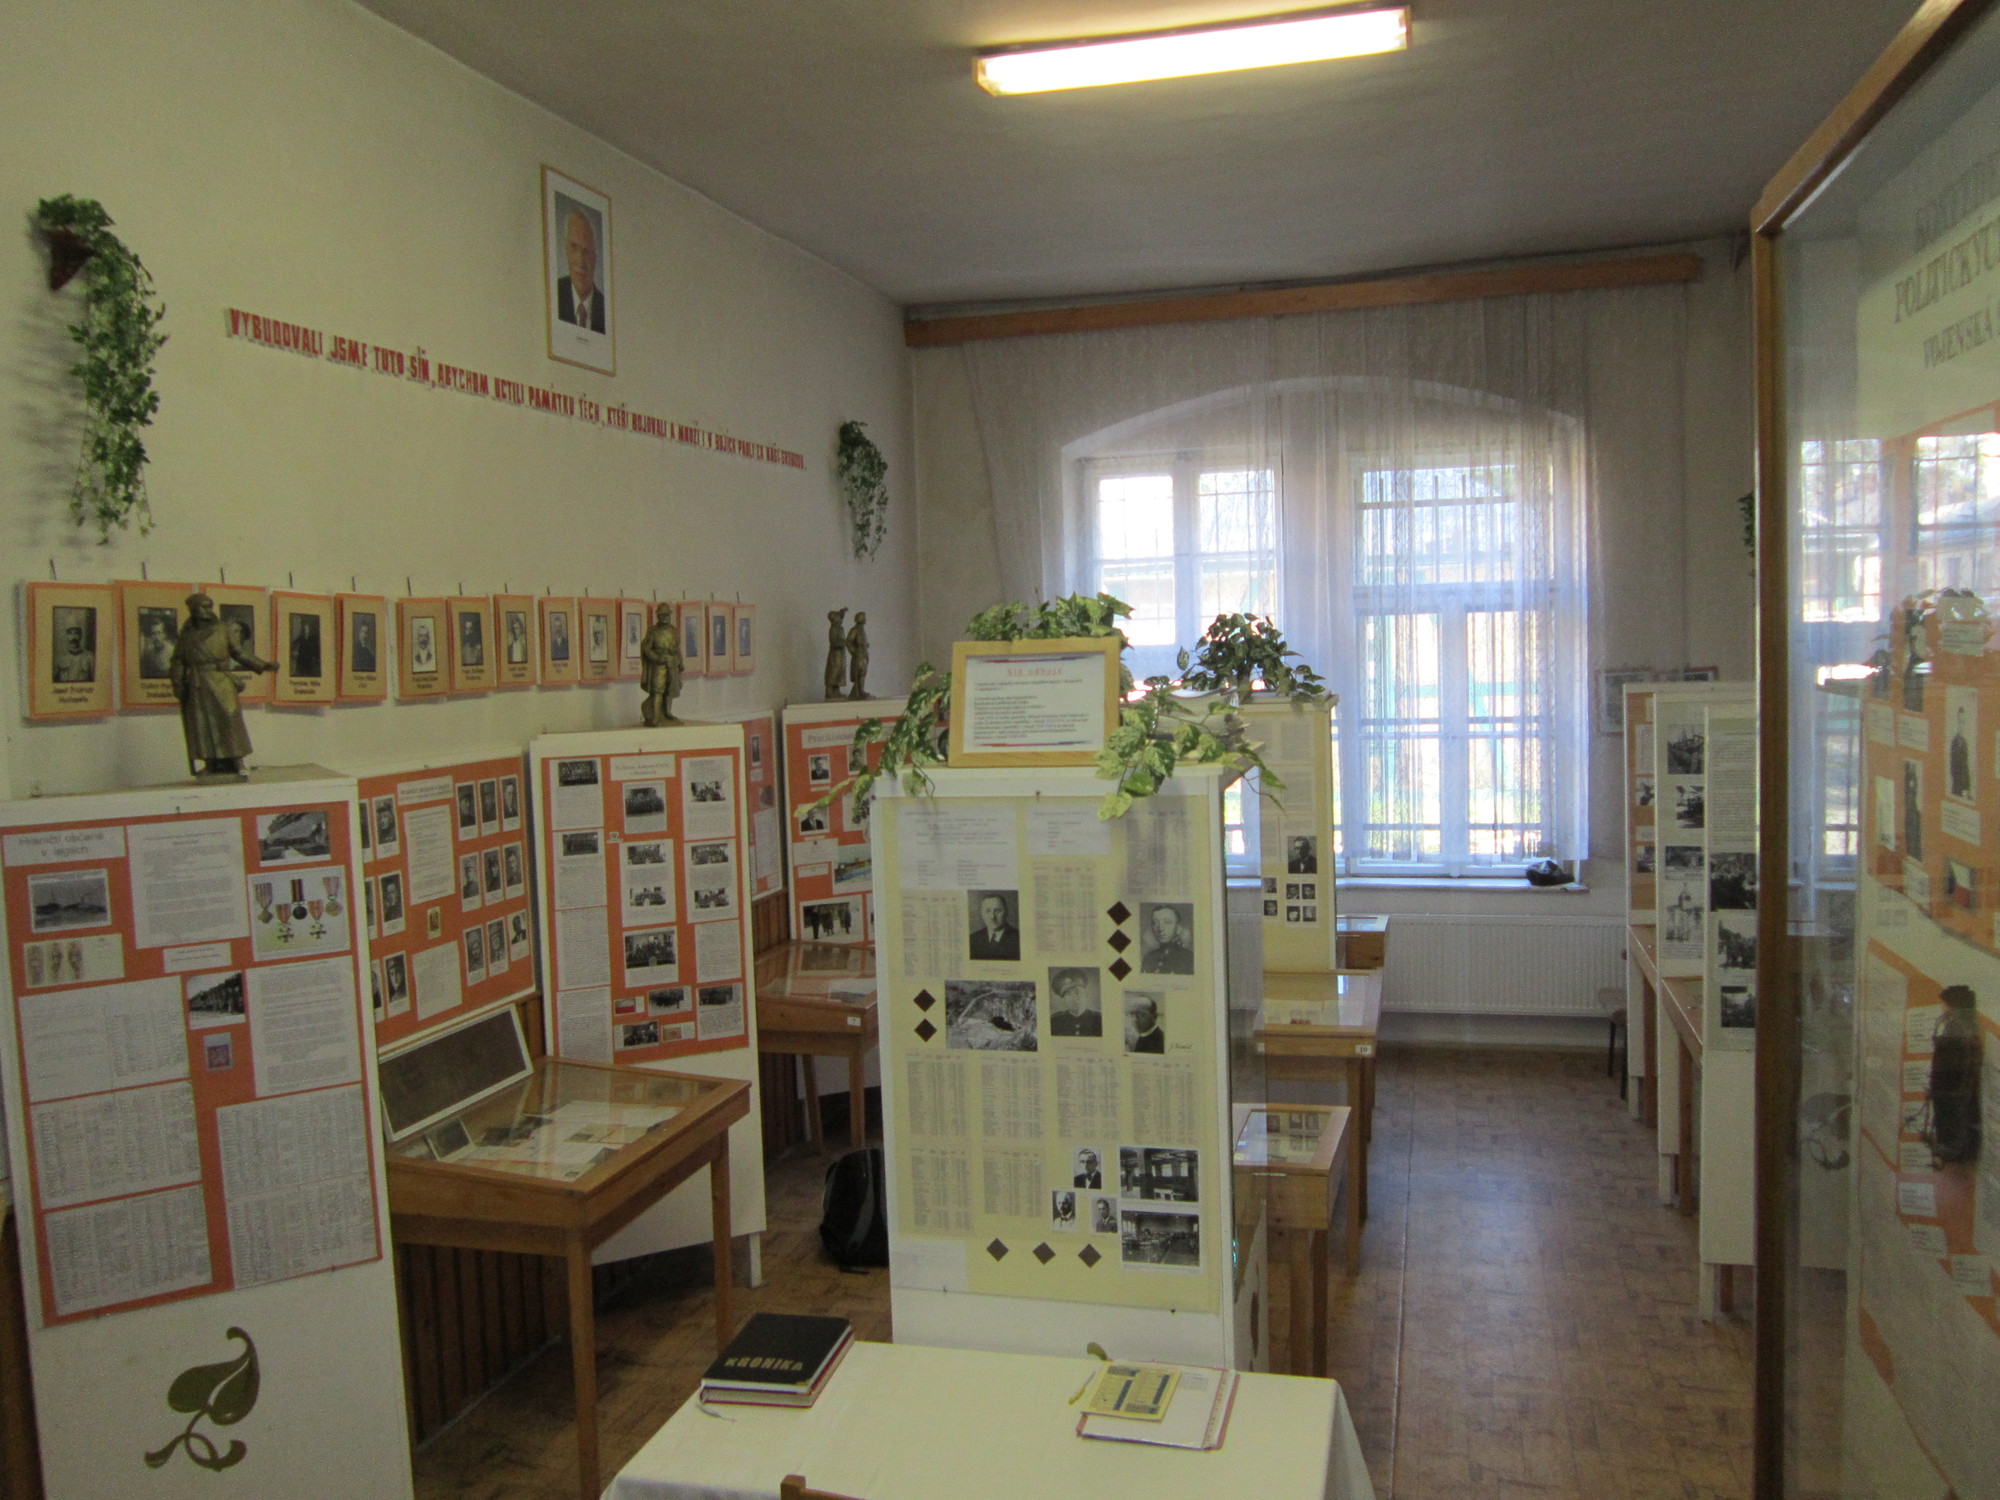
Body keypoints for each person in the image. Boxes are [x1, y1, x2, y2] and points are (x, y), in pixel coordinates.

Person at [169, 592, 275, 778]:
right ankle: (211, 763)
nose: (207, 610)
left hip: (221, 681)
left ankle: (237, 760)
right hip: (198, 684)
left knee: (229, 717)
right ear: (193, 609)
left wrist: (262, 665)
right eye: (203, 606)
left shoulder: (222, 629)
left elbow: (239, 653)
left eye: (209, 606)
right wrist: (177, 683)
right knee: (202, 724)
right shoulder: (186, 635)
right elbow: (178, 660)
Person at [555, 208, 606, 332]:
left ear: (595, 257)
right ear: (566, 249)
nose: (580, 261)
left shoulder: (604, 308)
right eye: (574, 247)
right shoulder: (555, 294)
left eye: (586, 251)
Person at [639, 603, 684, 726]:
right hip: (659, 665)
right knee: (658, 690)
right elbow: (647, 649)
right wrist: (657, 658)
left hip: (672, 663)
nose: (664, 617)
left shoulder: (673, 630)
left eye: (666, 615)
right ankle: (655, 716)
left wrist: (680, 663)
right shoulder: (653, 631)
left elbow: (677, 648)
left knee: (670, 690)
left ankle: (668, 713)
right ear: (658, 616)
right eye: (662, 615)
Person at [1140, 905, 1195, 975]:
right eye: (1155, 923)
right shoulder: (1148, 958)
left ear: (1178, 927)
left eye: (1167, 922)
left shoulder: (1189, 958)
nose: (1160, 928)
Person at [968, 893, 1021, 961]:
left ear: (1006, 912)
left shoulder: (1019, 938)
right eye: (988, 911)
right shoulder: (973, 939)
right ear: (982, 914)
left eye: (998, 911)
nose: (992, 917)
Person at [1049, 969, 1101, 1037]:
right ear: (1064, 999)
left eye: (1077, 991)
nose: (1074, 997)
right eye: (1068, 994)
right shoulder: (1054, 1021)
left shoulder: (1099, 1019)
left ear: (1086, 994)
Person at [823, 607, 848, 699]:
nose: (840, 618)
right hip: (835, 654)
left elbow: (841, 616)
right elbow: (834, 642)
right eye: (838, 616)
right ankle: (829, 691)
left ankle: (837, 691)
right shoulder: (834, 628)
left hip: (841, 654)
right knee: (834, 671)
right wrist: (844, 642)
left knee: (840, 671)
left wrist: (843, 612)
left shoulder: (839, 627)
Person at [846, 610, 870, 699]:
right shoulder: (855, 630)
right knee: (859, 673)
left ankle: (861, 691)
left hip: (864, 653)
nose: (865, 619)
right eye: (864, 617)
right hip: (859, 654)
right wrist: (854, 652)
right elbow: (848, 642)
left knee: (863, 672)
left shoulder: (862, 630)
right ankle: (859, 692)